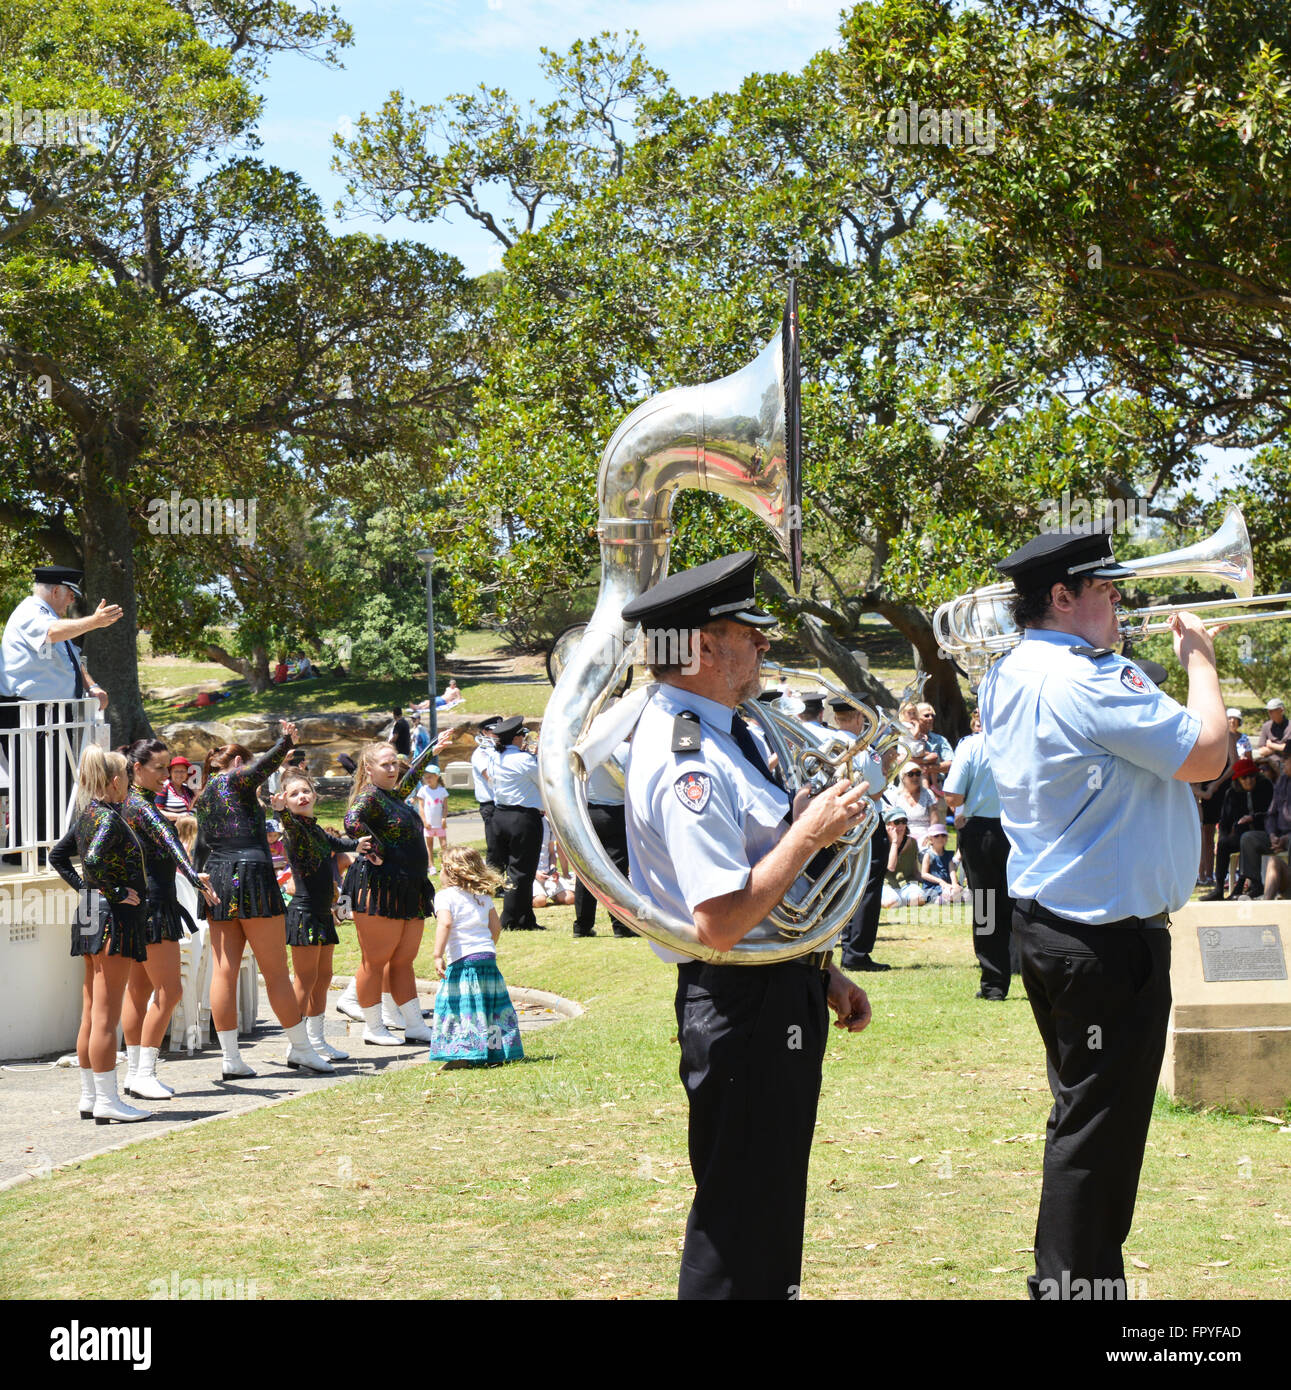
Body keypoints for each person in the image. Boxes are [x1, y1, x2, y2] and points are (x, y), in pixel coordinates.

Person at [977, 524, 1226, 1300]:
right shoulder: (1087, 678)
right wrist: (1200, 665)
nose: (1120, 602)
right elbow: (1207, 755)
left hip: (1055, 930)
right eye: (1105, 589)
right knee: (1099, 1136)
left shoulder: (1011, 669)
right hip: (1104, 943)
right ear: (1061, 597)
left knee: (1083, 1121)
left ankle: (1076, 1281)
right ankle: (1075, 1289)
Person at [620, 551, 873, 1301]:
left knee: (764, 1211)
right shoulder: (686, 758)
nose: (764, 646)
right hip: (740, 1003)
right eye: (747, 633)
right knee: (737, 1222)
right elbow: (720, 921)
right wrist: (811, 834)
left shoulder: (721, 732)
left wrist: (817, 968)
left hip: (770, 991)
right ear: (701, 646)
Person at [194, 722, 333, 1079]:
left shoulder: (205, 793)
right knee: (275, 971)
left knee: (223, 970)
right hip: (250, 876)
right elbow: (261, 768)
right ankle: (302, 1049)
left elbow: (200, 848)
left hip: (217, 878)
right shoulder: (234, 779)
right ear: (238, 763)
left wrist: (199, 879)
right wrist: (285, 741)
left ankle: (230, 1058)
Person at [47, 747, 150, 1124]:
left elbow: (58, 857)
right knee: (106, 1016)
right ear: (114, 781)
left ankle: (91, 1096)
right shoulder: (107, 817)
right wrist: (115, 892)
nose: (130, 781)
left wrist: (88, 891)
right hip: (111, 918)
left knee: (92, 1013)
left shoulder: (87, 814)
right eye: (127, 775)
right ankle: (107, 1099)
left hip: (91, 912)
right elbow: (89, 862)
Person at [117, 739, 219, 1100]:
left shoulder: (126, 802)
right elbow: (169, 839)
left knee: (139, 990)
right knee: (170, 990)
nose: (165, 777)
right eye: (159, 769)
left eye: (167, 769)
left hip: (136, 904)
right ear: (137, 768)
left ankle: (134, 1073)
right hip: (154, 904)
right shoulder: (141, 806)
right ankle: (144, 1073)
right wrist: (194, 876)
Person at [0, 565, 119, 859]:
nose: (70, 603)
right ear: (56, 591)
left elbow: (72, 660)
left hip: (52, 713)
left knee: (54, 777)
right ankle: (26, 850)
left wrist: (92, 687)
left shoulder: (53, 619)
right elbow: (52, 634)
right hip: (26, 711)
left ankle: (45, 844)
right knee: (34, 778)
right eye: (69, 596)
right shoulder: (32, 612)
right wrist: (93, 622)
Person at [342, 729, 452, 1045]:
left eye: (394, 764)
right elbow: (352, 822)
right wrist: (374, 851)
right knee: (375, 960)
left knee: (403, 960)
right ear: (369, 770)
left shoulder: (391, 795)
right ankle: (373, 1026)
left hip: (409, 886)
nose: (392, 769)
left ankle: (414, 1024)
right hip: (380, 888)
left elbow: (409, 776)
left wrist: (432, 749)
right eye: (385, 765)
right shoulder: (369, 795)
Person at [273, 770, 374, 1062]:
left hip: (322, 911)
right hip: (303, 912)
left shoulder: (315, 828)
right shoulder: (293, 827)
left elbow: (336, 844)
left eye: (305, 791)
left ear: (315, 795)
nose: (302, 796)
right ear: (285, 801)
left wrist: (358, 844)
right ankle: (297, 1045)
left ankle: (317, 1040)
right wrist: (281, 812)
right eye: (294, 794)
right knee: (304, 980)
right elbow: (288, 823)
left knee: (323, 976)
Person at [429, 846, 523, 1066]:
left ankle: (464, 1053)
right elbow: (496, 927)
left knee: (462, 1006)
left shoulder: (444, 896)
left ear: (449, 872)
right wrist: (487, 946)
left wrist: (437, 954)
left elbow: (446, 922)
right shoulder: (482, 898)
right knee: (490, 1005)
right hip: (486, 957)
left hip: (463, 960)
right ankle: (494, 1052)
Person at [944, 725, 1016, 1000]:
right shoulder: (1024, 739)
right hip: (1020, 829)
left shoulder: (971, 746)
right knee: (1021, 904)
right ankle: (1028, 969)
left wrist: (963, 812)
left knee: (986, 906)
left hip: (982, 833)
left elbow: (953, 796)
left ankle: (994, 983)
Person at [830, 694, 892, 974]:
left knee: (843, 884)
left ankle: (843, 942)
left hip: (835, 823)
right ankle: (857, 951)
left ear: (835, 718)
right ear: (857, 718)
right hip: (866, 822)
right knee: (867, 887)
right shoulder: (866, 751)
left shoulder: (825, 746)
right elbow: (877, 790)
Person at [572, 738, 634, 939]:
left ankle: (582, 925)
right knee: (616, 872)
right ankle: (620, 924)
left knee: (587, 870)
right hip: (616, 812)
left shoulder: (587, 747)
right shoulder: (626, 749)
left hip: (589, 811)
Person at [490, 716, 546, 932]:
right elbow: (543, 780)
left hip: (501, 815)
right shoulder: (523, 760)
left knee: (513, 870)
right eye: (522, 736)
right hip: (522, 818)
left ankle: (524, 917)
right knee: (522, 870)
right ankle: (512, 919)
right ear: (515, 737)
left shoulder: (496, 757)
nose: (525, 739)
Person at [1205, 758, 1272, 899]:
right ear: (1238, 780)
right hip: (1241, 833)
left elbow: (1271, 813)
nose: (1249, 780)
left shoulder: (1266, 787)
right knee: (1223, 844)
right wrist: (1222, 837)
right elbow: (1225, 821)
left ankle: (1240, 887)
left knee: (1246, 841)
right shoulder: (1232, 793)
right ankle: (1218, 889)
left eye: (1252, 776)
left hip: (1263, 833)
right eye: (1244, 777)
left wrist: (1254, 817)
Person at [1236, 749, 1291, 898]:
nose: (1283, 764)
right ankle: (1256, 884)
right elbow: (1271, 814)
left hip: (1288, 837)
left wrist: (1287, 838)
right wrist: (1272, 834)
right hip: (1278, 836)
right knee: (1249, 838)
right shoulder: (1282, 781)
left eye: (1285, 760)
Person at [471, 716, 502, 871]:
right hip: (490, 805)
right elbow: (489, 777)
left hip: (502, 803)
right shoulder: (481, 753)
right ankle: (494, 883)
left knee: (506, 845)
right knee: (494, 846)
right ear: (485, 732)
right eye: (495, 730)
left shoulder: (499, 751)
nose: (499, 734)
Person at [413, 763, 449, 872]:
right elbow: (421, 807)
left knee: (444, 845)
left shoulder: (442, 791)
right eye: (426, 777)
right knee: (429, 845)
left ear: (437, 776)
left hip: (439, 823)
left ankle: (445, 865)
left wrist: (443, 819)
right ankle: (431, 866)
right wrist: (424, 821)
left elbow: (445, 807)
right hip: (428, 824)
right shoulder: (423, 790)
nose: (427, 779)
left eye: (430, 777)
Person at [919, 823, 965, 903]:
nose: (940, 838)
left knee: (960, 890)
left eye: (943, 835)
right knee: (948, 894)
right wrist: (940, 881)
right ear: (930, 839)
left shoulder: (948, 855)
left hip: (947, 884)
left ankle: (950, 897)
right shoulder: (928, 854)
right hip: (933, 886)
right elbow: (924, 874)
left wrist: (954, 883)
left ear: (946, 838)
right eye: (936, 836)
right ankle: (941, 898)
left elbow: (952, 870)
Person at [156, 756, 195, 822]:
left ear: (187, 774)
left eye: (183, 771)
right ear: (170, 773)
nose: (179, 774)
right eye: (176, 771)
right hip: (172, 830)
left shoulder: (187, 789)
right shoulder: (164, 788)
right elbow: (157, 812)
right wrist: (180, 816)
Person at [1252, 698, 1289, 766]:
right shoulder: (1266, 726)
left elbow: (1288, 748)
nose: (1269, 713)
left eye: (1272, 710)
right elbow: (1262, 751)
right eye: (1269, 711)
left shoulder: (1290, 726)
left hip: (1286, 763)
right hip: (1269, 763)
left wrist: (1271, 745)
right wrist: (1279, 748)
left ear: (1281, 710)